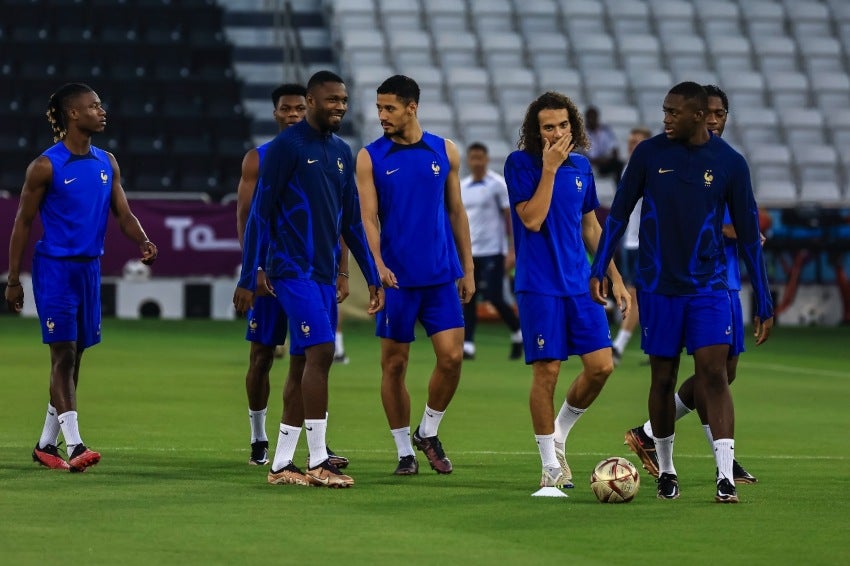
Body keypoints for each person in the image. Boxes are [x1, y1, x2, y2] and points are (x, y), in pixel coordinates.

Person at [589, 82, 774, 504]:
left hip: (709, 286)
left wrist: (764, 299)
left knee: (715, 372)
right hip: (659, 287)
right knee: (663, 375)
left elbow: (748, 236)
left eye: (674, 112)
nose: (666, 118)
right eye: (664, 111)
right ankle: (667, 470)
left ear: (697, 115)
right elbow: (618, 211)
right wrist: (599, 266)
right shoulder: (649, 155)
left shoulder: (730, 163)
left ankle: (724, 475)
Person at [234, 71, 383, 488]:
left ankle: (282, 464)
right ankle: (318, 460)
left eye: (344, 100)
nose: (339, 106)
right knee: (320, 351)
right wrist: (250, 275)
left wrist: (371, 275)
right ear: (312, 101)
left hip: (320, 273)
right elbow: (261, 214)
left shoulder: (341, 150)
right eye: (332, 99)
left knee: (303, 361)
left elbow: (351, 221)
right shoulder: (285, 148)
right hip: (290, 269)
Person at [5, 83, 158, 472]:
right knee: (64, 353)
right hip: (55, 268)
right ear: (73, 114)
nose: (101, 111)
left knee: (76, 358)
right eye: (93, 106)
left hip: (90, 269)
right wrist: (13, 278)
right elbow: (22, 223)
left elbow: (122, 213)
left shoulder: (107, 162)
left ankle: (45, 444)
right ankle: (75, 445)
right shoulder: (46, 166)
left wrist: (142, 239)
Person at [624, 85, 759, 484]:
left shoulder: (728, 164)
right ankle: (706, 458)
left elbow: (742, 217)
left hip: (724, 280)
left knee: (723, 371)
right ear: (700, 115)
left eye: (721, 114)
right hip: (688, 281)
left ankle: (649, 432)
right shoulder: (669, 157)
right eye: (710, 113)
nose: (715, 120)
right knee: (711, 371)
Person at [503, 91, 630, 491]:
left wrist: (615, 275)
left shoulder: (581, 166)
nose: (557, 133)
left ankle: (559, 433)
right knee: (548, 372)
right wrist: (549, 169)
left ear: (572, 126)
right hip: (539, 286)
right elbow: (533, 219)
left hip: (580, 283)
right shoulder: (520, 164)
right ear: (534, 131)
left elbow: (591, 226)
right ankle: (550, 468)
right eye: (547, 127)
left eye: (562, 125)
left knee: (601, 367)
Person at [356, 75, 475, 476]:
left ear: (412, 107)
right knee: (394, 366)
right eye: (378, 108)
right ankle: (405, 451)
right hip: (397, 281)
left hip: (442, 276)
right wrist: (377, 265)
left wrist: (468, 268)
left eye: (389, 108)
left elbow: (457, 212)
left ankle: (428, 431)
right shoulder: (370, 156)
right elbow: (368, 218)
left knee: (452, 358)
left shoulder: (445, 151)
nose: (382, 115)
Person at [459, 141, 523, 361]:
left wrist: (513, 249)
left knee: (495, 296)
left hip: (494, 250)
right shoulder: (462, 186)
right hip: (471, 250)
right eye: (473, 157)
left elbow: (510, 218)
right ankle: (468, 343)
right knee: (468, 295)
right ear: (468, 160)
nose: (476, 162)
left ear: (486, 160)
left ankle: (517, 332)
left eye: (480, 157)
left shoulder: (497, 184)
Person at [611, 126, 653, 365]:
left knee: (636, 296)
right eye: (630, 141)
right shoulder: (630, 168)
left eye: (637, 141)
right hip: (630, 240)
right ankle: (657, 345)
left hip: (645, 243)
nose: (631, 145)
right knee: (642, 297)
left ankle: (618, 346)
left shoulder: (652, 170)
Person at [583, 106, 624, 180]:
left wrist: (609, 159)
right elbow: (582, 153)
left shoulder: (605, 130)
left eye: (593, 117)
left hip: (605, 162)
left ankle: (619, 189)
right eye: (590, 117)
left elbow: (614, 147)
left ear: (597, 117)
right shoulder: (582, 133)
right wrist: (596, 161)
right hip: (590, 163)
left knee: (619, 164)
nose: (591, 120)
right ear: (586, 118)